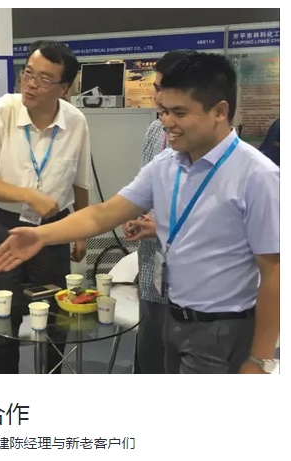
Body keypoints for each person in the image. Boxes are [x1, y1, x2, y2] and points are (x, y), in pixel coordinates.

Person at [0, 52, 280, 374]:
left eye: (179, 113)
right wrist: (40, 235)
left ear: (219, 112)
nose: (167, 122)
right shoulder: (167, 164)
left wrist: (260, 359)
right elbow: (103, 214)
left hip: (222, 330)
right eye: (164, 111)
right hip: (172, 316)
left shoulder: (257, 176)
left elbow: (275, 272)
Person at [0, 40, 91, 374]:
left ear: (64, 88)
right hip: (3, 226)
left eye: (44, 79)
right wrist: (28, 195)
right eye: (28, 73)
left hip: (54, 229)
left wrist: (81, 232)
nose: (31, 84)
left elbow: (80, 182)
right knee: (4, 315)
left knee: (55, 315)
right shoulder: (0, 113)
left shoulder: (76, 121)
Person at [122, 50, 196, 374]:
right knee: (151, 356)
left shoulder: (211, 143)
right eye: (155, 88)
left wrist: (162, 226)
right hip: (152, 269)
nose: (157, 98)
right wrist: (136, 216)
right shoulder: (155, 131)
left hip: (191, 284)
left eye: (164, 89)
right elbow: (144, 190)